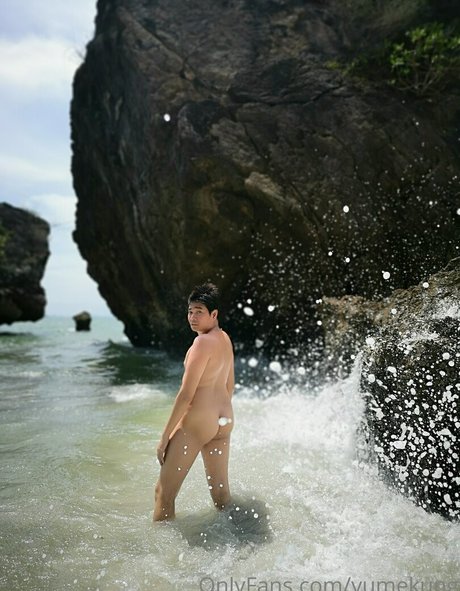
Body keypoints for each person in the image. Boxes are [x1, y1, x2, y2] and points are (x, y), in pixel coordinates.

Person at [153, 283, 235, 521]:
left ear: (214, 314)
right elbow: (230, 385)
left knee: (163, 494)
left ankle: (161, 544)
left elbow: (186, 394)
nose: (192, 317)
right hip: (223, 421)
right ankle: (238, 533)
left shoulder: (201, 343)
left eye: (199, 311)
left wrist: (165, 437)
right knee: (221, 496)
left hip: (199, 422)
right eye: (190, 311)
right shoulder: (224, 338)